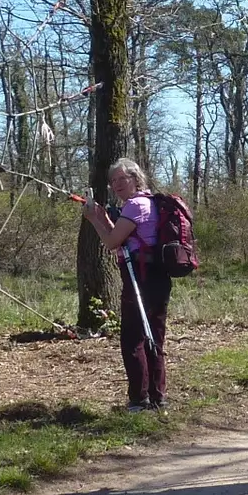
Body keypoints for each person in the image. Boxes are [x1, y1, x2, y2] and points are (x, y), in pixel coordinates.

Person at [81, 158, 170, 412]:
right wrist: (100, 215)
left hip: (141, 277)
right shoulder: (149, 202)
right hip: (157, 276)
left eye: (123, 179)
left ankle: (139, 400)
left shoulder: (134, 206)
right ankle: (157, 397)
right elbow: (123, 239)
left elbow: (111, 242)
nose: (117, 184)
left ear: (136, 178)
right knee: (154, 336)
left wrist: (92, 219)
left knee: (133, 339)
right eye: (113, 181)